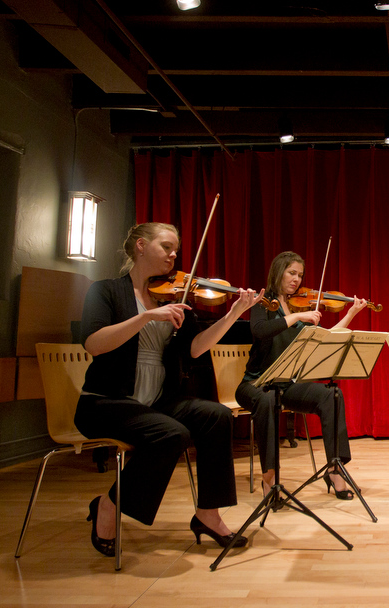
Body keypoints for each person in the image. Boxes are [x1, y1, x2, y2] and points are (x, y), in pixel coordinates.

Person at [76, 222, 262, 558]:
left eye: (176, 248)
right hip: (106, 402)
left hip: (155, 402)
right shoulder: (104, 291)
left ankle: (208, 514)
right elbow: (94, 344)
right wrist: (147, 317)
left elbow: (195, 348)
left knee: (216, 415)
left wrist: (234, 313)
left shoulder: (174, 293)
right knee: (171, 434)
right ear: (141, 247)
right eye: (166, 246)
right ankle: (108, 504)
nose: (174, 254)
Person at [236, 251, 368, 500]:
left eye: (300, 275)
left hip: (285, 386)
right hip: (255, 385)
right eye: (291, 273)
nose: (297, 280)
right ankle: (270, 479)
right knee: (266, 401)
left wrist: (351, 314)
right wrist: (296, 316)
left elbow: (324, 338)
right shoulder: (263, 302)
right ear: (278, 272)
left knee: (332, 395)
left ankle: (335, 469)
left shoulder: (299, 306)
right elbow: (260, 330)